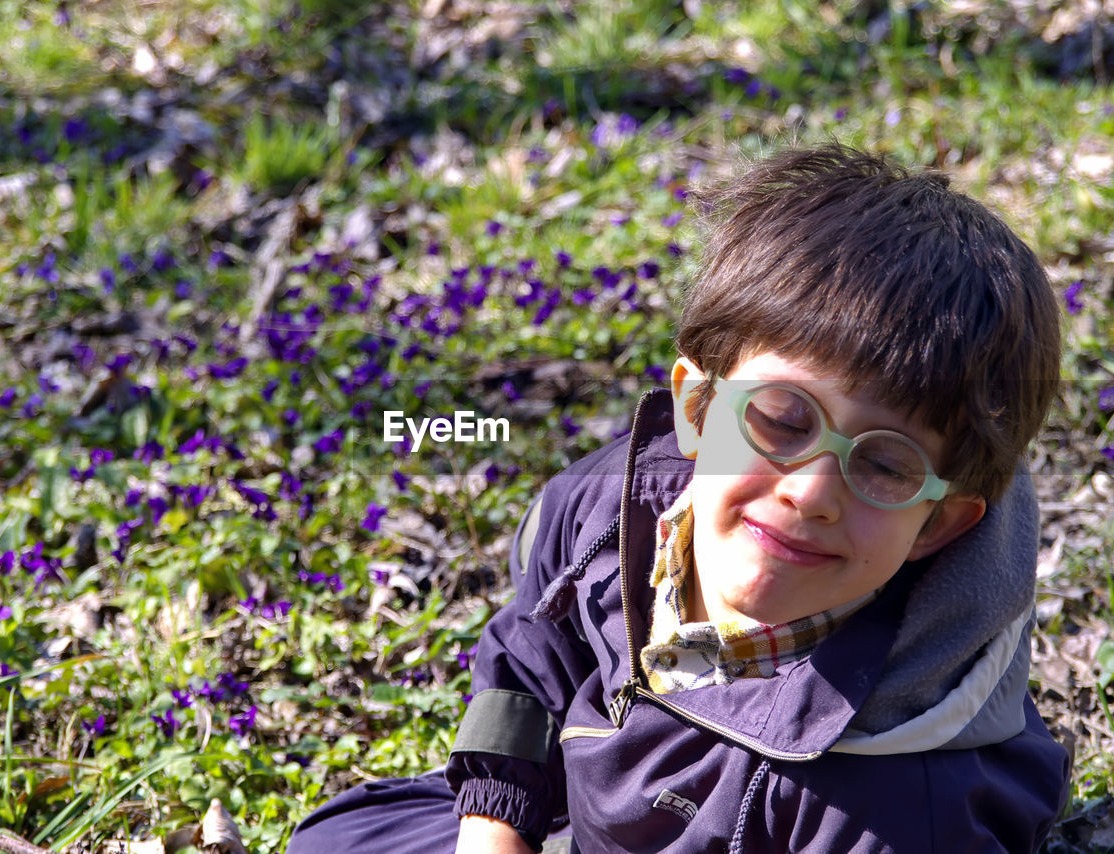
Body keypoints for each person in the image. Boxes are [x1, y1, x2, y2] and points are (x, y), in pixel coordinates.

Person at [287, 144, 1071, 853]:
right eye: (780, 419)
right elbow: (529, 667)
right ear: (697, 409)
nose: (809, 494)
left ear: (938, 522)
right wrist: (493, 834)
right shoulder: (602, 517)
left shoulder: (896, 804)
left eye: (886, 467)